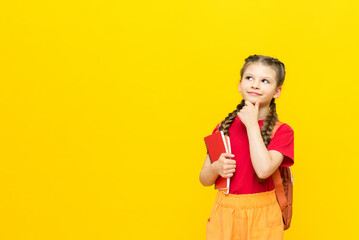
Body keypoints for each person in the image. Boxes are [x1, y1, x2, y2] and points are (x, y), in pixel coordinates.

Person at [199, 54, 294, 240]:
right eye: (249, 78)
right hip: (225, 212)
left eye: (265, 80)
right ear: (239, 84)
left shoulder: (283, 131)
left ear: (277, 91)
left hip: (263, 214)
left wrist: (251, 125)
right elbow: (204, 179)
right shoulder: (223, 127)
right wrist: (216, 167)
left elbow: (263, 170)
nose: (255, 85)